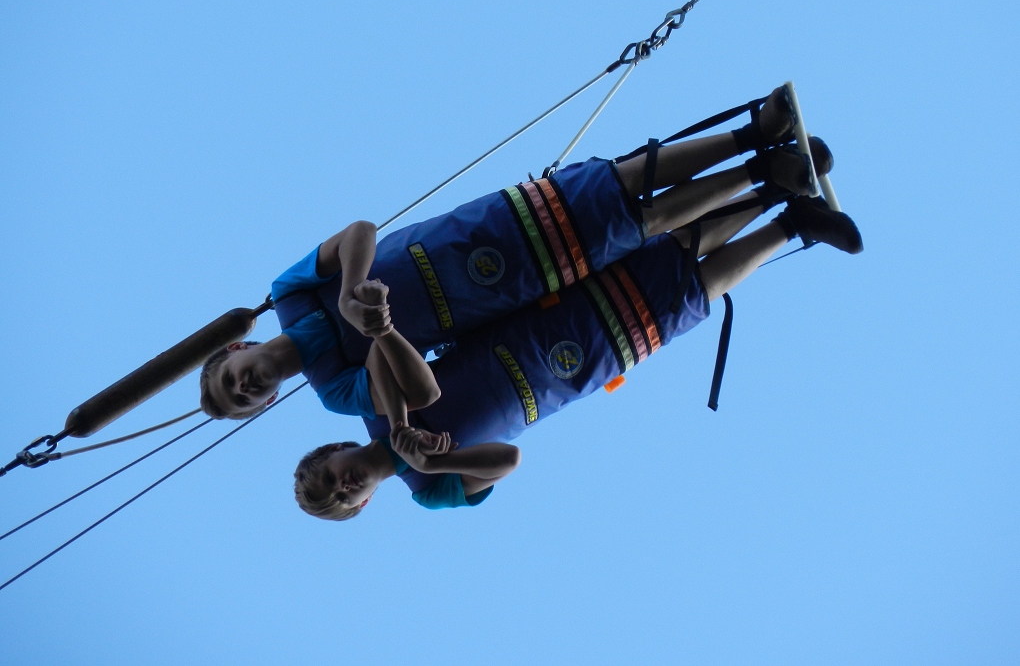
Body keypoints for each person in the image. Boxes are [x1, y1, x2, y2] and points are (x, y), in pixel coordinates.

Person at [200, 87, 830, 423]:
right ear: (262, 404)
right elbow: (415, 392)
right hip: (501, 290)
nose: (248, 385)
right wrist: (383, 334)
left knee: (617, 184)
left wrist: (349, 287)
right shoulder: (336, 389)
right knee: (642, 223)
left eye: (234, 380)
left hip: (477, 230)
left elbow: (357, 231)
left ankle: (753, 134)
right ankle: (767, 180)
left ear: (235, 352)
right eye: (245, 399)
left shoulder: (289, 295)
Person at [292, 187, 863, 519]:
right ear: (361, 507)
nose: (341, 486)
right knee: (678, 300)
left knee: (658, 263)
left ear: (337, 450)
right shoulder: (426, 493)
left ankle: (769, 187)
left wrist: (398, 425)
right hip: (556, 381)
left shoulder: (368, 409)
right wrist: (435, 461)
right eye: (338, 500)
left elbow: (382, 350)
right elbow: (505, 464)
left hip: (522, 330)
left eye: (330, 477)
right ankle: (792, 223)